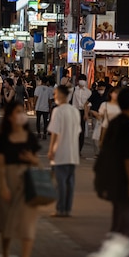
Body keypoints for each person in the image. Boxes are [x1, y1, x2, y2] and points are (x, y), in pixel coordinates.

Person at [0, 101, 42, 257]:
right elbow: (1, 166)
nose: (22, 115)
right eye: (18, 112)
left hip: (27, 181)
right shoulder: (3, 138)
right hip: (9, 180)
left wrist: (32, 159)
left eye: (22, 111)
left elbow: (38, 162)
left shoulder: (30, 138)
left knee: (28, 224)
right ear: (10, 116)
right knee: (6, 223)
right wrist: (2, 186)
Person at [102, 87, 129, 237]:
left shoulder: (115, 122)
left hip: (114, 173)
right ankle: (122, 240)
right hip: (124, 176)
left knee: (118, 209)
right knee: (127, 211)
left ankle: (115, 235)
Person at [47, 85, 83, 217]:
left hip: (60, 152)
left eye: (55, 94)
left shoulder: (58, 111)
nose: (54, 96)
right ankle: (67, 209)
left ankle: (60, 209)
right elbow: (78, 131)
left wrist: (51, 150)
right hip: (72, 152)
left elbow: (55, 132)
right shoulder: (74, 111)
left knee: (60, 182)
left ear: (62, 95)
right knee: (70, 183)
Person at [71, 74, 93, 152]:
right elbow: (71, 102)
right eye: (80, 79)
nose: (82, 81)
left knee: (81, 131)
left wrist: (86, 114)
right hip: (75, 111)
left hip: (83, 112)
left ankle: (79, 149)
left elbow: (89, 104)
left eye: (83, 79)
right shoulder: (74, 90)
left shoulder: (88, 92)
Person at [87, 81, 109, 157]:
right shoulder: (94, 94)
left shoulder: (107, 96)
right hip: (95, 117)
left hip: (104, 118)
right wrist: (89, 113)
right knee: (95, 135)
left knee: (103, 135)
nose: (100, 89)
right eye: (99, 87)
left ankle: (103, 151)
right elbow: (88, 103)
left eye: (102, 88)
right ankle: (97, 152)